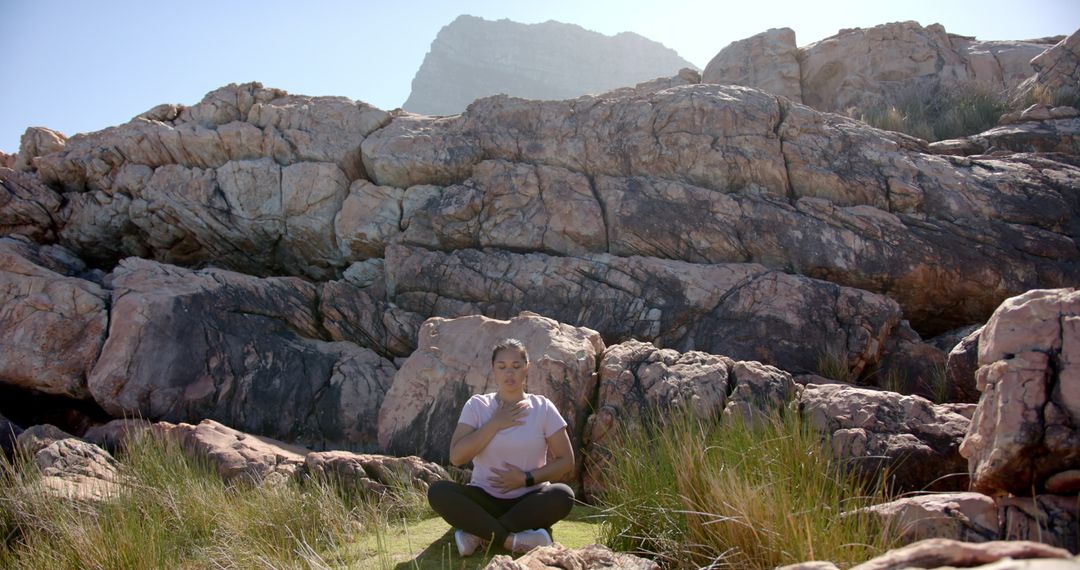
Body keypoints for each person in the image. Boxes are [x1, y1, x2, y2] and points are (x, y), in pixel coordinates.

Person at [427, 338, 576, 556]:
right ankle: (511, 540)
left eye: (516, 366)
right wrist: (495, 423)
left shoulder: (543, 408)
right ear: (493, 370)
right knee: (438, 492)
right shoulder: (477, 406)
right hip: (484, 498)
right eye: (502, 367)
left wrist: (526, 478)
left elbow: (566, 461)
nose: (510, 373)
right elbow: (457, 457)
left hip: (529, 500)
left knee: (564, 495)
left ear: (527, 368)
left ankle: (479, 533)